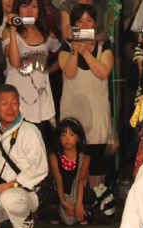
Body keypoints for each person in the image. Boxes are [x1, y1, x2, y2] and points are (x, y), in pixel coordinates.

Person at [0, 84, 49, 228]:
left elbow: (40, 169)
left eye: (14, 103)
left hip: (25, 193)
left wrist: (10, 185)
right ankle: (4, 217)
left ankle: (25, 221)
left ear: (19, 105)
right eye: (4, 104)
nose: (10, 108)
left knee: (9, 199)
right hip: (0, 190)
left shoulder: (30, 131)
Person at [58, 3, 113, 188]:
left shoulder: (104, 45)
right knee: (72, 160)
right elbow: (69, 72)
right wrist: (75, 50)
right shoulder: (66, 47)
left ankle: (97, 203)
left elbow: (103, 72)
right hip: (73, 112)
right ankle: (75, 204)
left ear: (95, 24)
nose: (84, 24)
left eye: (88, 20)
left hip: (96, 114)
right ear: (73, 25)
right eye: (79, 21)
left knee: (96, 162)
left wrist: (86, 53)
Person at [3, 0, 61, 139]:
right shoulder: (8, 32)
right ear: (18, 10)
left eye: (34, 7)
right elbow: (15, 62)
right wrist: (12, 29)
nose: (29, 11)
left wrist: (47, 71)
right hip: (17, 99)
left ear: (39, 10)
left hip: (41, 100)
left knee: (40, 143)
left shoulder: (47, 33)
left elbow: (64, 55)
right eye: (24, 6)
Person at [48, 118, 91, 225]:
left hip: (78, 192)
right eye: (63, 135)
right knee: (51, 194)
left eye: (71, 135)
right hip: (61, 192)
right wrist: (63, 202)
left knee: (88, 195)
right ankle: (57, 211)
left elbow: (81, 180)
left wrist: (79, 204)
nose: (67, 139)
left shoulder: (85, 158)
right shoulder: (54, 157)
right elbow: (58, 180)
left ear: (78, 138)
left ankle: (82, 210)